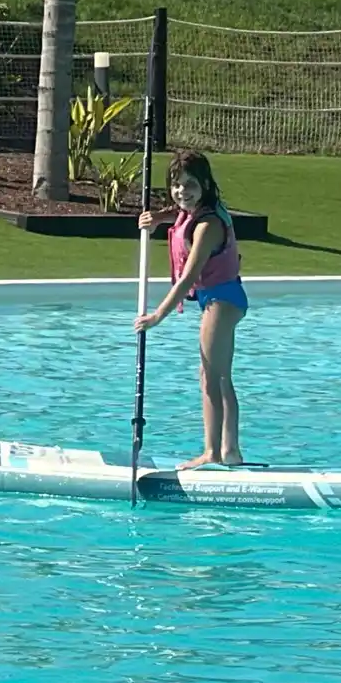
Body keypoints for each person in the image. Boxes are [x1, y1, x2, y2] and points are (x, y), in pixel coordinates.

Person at [135, 150, 248, 470]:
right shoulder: (195, 210)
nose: (182, 192)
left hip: (221, 300)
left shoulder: (208, 226)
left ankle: (212, 453)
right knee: (220, 377)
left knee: (210, 377)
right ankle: (232, 451)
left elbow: (187, 279)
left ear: (206, 185)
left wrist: (158, 316)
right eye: (176, 185)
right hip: (220, 298)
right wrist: (158, 217)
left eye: (190, 185)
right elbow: (180, 212)